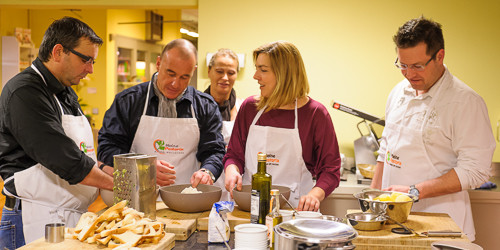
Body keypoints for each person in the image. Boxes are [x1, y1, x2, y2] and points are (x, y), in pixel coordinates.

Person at [370, 17, 496, 241]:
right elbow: (386, 150)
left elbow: (476, 170)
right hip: (394, 223)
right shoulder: (398, 92)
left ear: (440, 56)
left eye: (417, 66)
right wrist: (372, 203)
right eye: (402, 65)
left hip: (442, 225)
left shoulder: (465, 102)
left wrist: (413, 192)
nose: (409, 74)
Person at [0, 17, 113, 247]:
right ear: (59, 51)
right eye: (86, 60)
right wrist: (122, 184)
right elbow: (65, 159)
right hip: (32, 218)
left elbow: (83, 154)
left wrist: (111, 170)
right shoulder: (25, 92)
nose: (90, 69)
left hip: (67, 216)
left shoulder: (65, 91)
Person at [223, 41, 341, 211]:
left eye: (263, 70)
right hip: (250, 209)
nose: (255, 76)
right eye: (256, 69)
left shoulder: (315, 114)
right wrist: (232, 170)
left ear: (284, 74)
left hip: (295, 211)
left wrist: (315, 194)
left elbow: (330, 169)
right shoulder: (250, 108)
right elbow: (234, 154)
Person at [98, 39, 225, 188]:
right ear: (158, 63)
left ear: (193, 71)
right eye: (170, 73)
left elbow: (214, 151)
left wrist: (207, 172)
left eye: (184, 77)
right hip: (136, 196)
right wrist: (142, 165)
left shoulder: (205, 106)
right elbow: (107, 147)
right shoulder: (128, 101)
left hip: (187, 198)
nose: (175, 84)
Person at [204, 48, 241, 144]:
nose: (225, 78)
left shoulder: (242, 107)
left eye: (231, 73)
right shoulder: (197, 106)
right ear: (209, 71)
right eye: (219, 71)